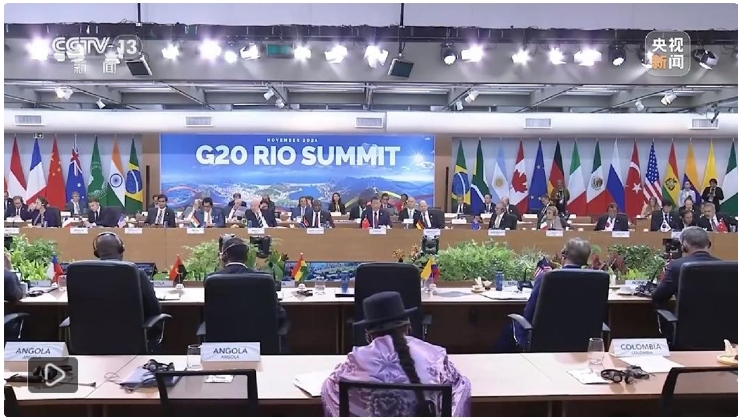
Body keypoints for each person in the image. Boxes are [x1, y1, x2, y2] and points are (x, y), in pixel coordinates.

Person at [321, 291, 471, 417]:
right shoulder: (435, 356)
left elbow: (330, 388)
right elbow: (459, 388)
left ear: (369, 335)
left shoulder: (355, 361)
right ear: (408, 327)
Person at [495, 238, 591, 352]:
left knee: (510, 328)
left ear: (564, 254)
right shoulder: (594, 280)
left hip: (545, 340)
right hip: (580, 341)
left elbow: (529, 313)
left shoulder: (547, 278)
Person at [93, 232, 162, 339]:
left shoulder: (83, 274)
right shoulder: (136, 274)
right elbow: (154, 308)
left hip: (92, 340)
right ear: (121, 250)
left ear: (97, 253)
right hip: (132, 340)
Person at [207, 236, 287, 324]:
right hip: (258, 331)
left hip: (222, 331)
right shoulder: (263, 279)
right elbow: (280, 314)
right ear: (246, 257)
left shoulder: (212, 280)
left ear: (224, 256)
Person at [652, 227, 718, 304]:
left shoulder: (676, 265)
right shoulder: (724, 266)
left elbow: (658, 297)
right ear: (709, 244)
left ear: (684, 246)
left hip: (688, 312)